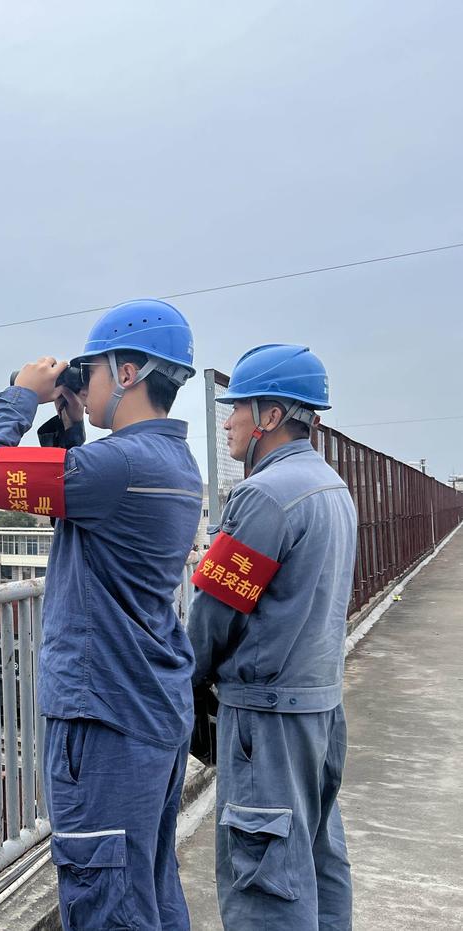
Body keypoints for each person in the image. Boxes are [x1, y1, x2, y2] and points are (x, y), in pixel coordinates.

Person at [0, 298, 203, 930]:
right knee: (148, 886)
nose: (84, 385)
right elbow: (69, 497)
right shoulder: (170, 461)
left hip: (105, 717)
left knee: (106, 903)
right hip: (149, 708)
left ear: (127, 373)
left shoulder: (120, 464)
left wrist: (19, 395)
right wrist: (68, 424)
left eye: (91, 373)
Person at [188, 344, 356, 930]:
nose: (229, 420)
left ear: (272, 415)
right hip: (320, 711)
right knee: (315, 863)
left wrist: (187, 677)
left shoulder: (263, 496)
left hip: (266, 721)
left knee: (265, 887)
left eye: (239, 408)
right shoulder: (331, 487)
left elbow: (214, 610)